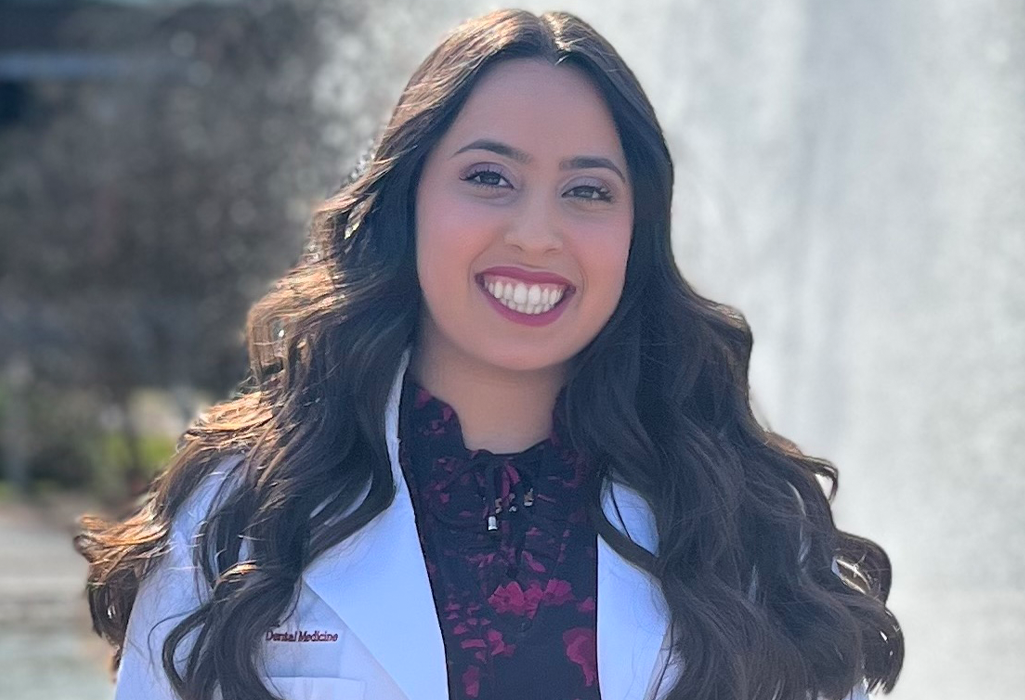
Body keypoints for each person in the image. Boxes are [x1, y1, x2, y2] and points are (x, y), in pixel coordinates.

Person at [75, 9, 904, 700]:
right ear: (408, 202)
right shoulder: (238, 511)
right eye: (488, 177)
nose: (536, 234)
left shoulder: (748, 520)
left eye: (587, 191)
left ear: (635, 237)